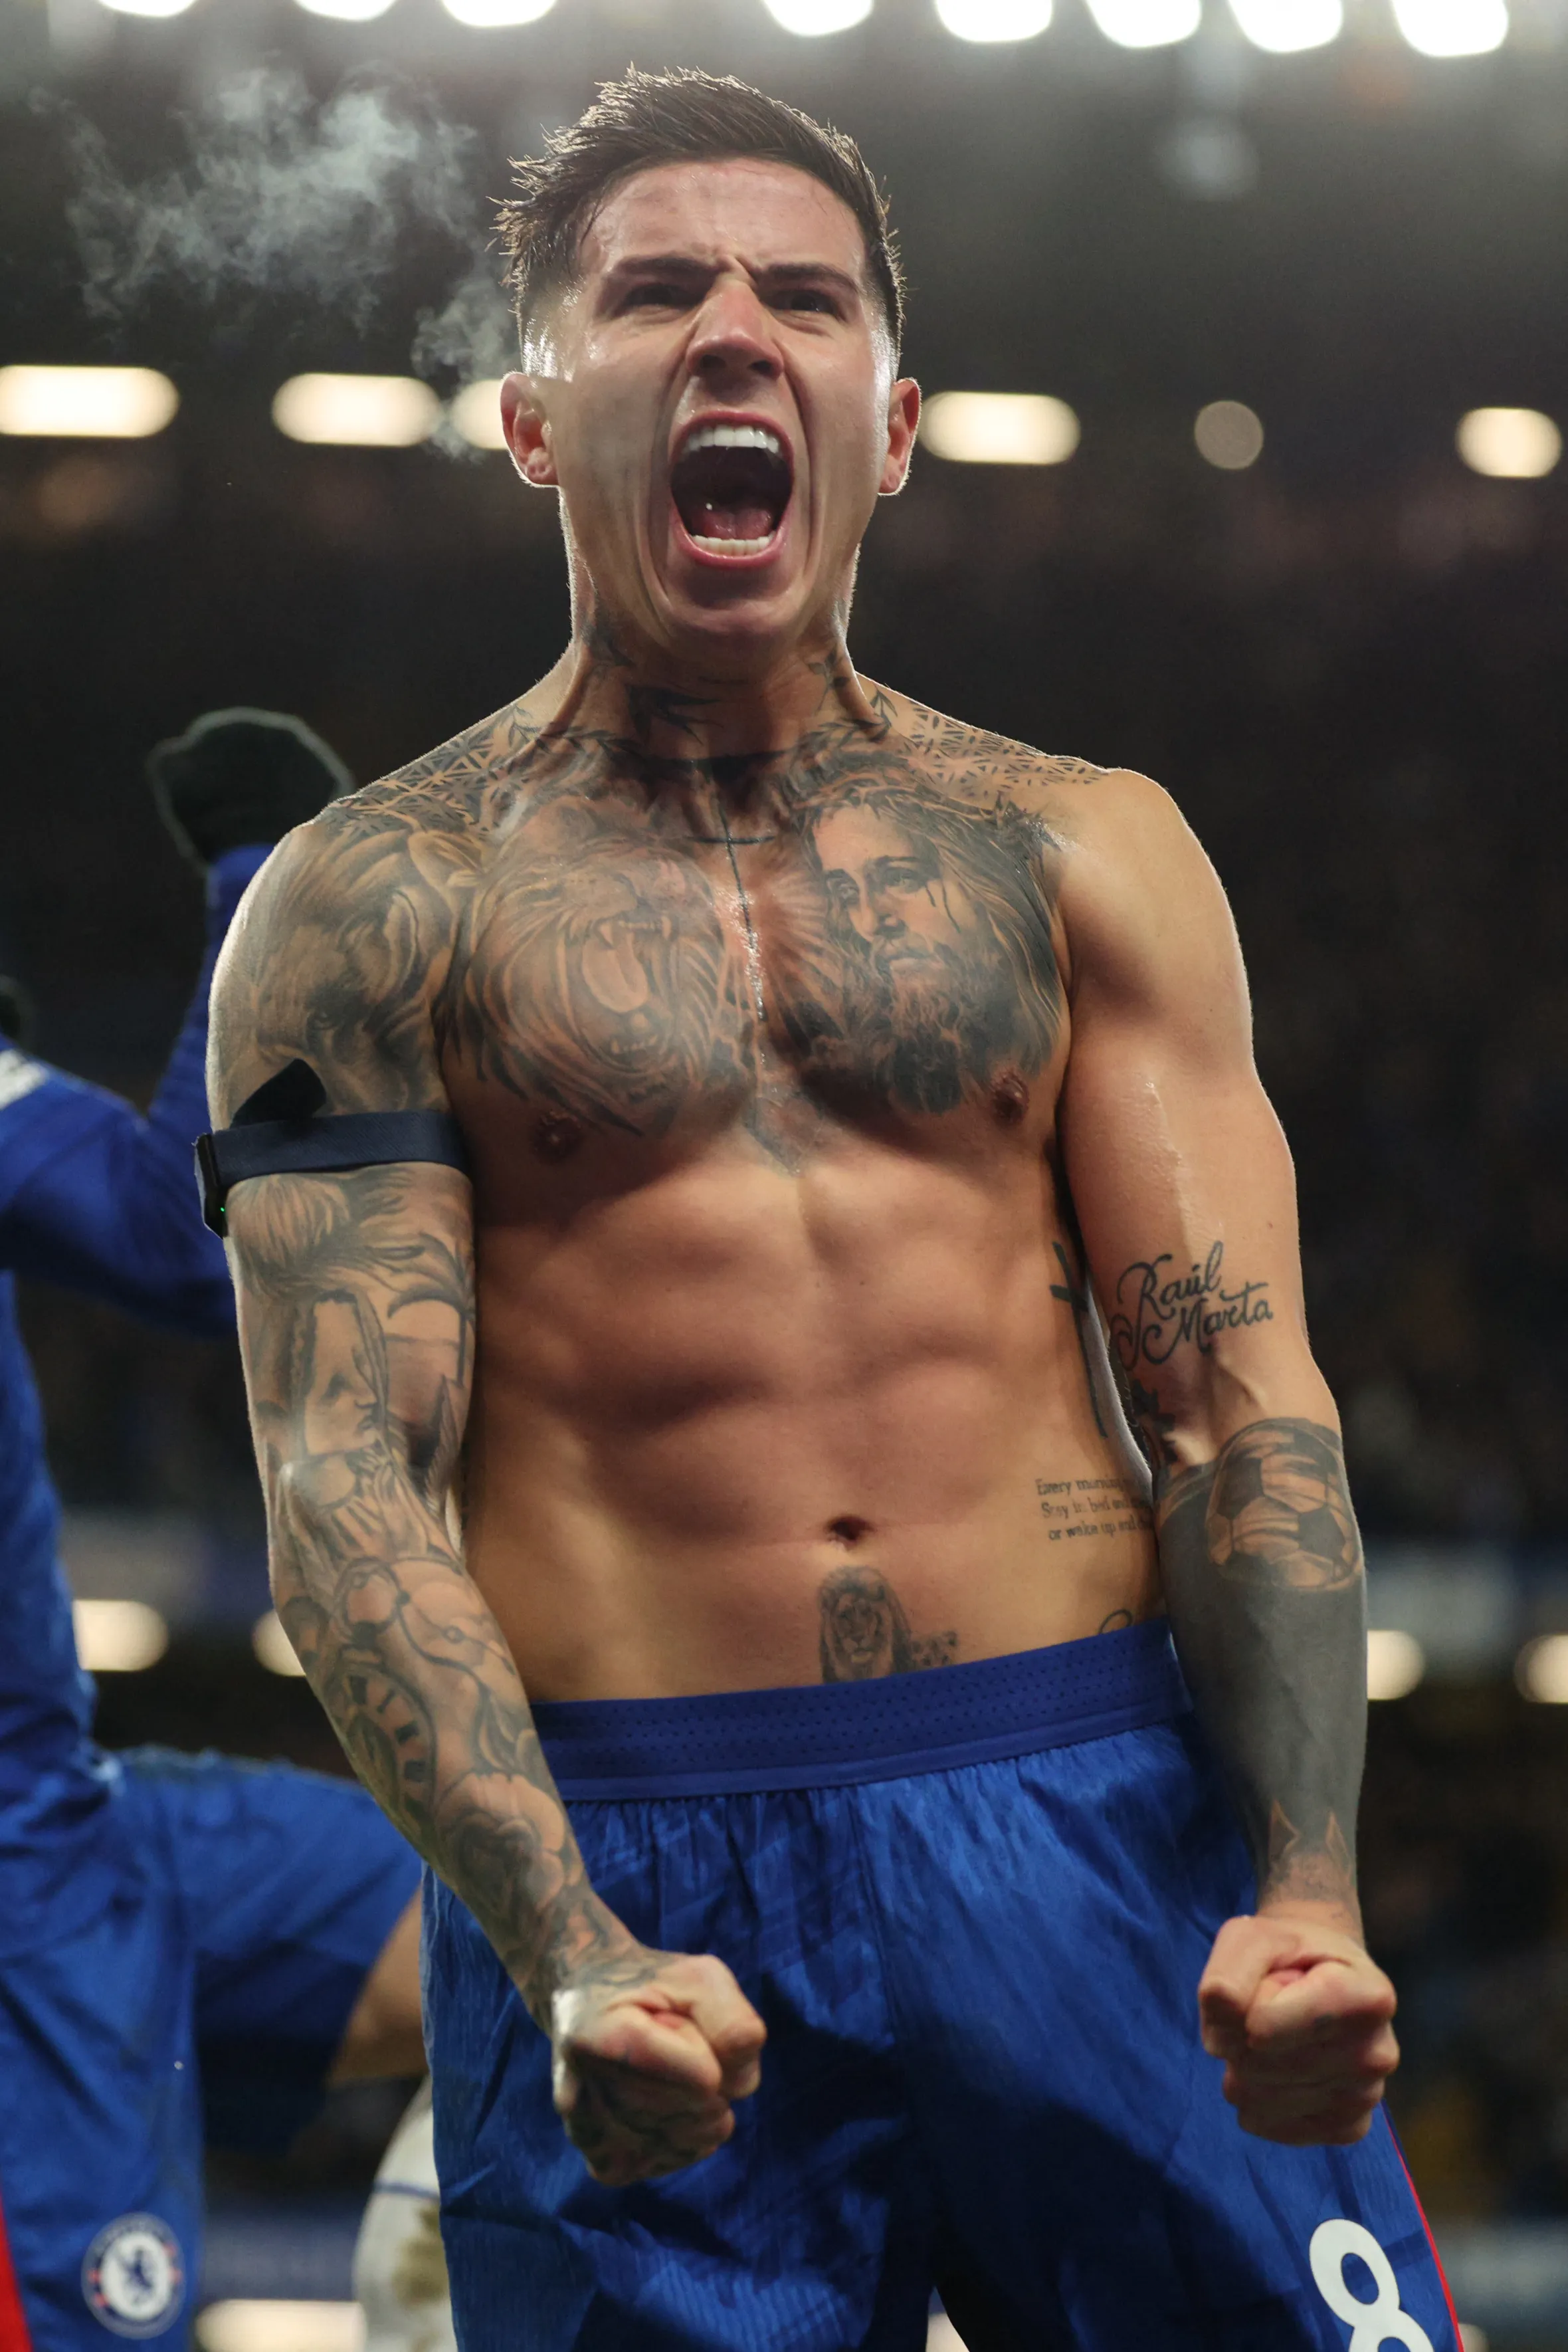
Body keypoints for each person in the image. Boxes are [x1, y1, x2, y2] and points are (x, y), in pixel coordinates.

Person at [205, 73, 1462, 2349]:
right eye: (653, 289)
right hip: (636, 1844)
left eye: (800, 295)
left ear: (889, 420)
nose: (729, 332)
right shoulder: (364, 905)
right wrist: (561, 1928)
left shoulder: (1089, 848)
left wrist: (1303, 1886)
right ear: (526, 415)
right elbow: (341, 1476)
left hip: (1092, 1816)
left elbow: (1234, 1393)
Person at [0, 711, 424, 2352]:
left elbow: (187, 1236)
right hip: (47, 1853)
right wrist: (261, 865)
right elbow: (177, 1241)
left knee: (568, 1936)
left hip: (66, 1824)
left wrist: (270, 887)